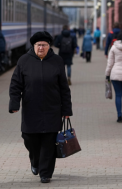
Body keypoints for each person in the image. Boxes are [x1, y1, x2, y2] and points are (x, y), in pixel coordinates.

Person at [9, 31, 73, 184]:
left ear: (49, 46)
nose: (41, 48)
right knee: (29, 138)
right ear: (34, 46)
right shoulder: (24, 61)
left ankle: (45, 173)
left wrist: (66, 110)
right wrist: (14, 103)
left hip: (52, 109)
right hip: (31, 108)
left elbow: (64, 88)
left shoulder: (57, 61)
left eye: (44, 45)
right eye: (38, 45)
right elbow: (15, 84)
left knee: (48, 142)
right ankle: (35, 160)